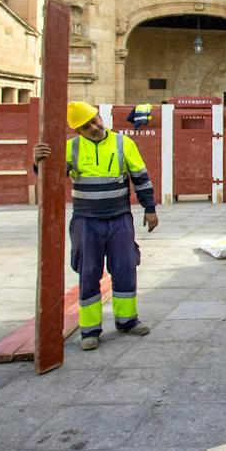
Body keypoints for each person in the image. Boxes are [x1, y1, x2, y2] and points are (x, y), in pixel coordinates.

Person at [33, 102, 159, 351]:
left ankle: (127, 320)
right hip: (86, 221)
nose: (94, 127)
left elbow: (140, 178)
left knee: (125, 268)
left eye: (95, 120)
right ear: (78, 131)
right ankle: (90, 330)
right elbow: (53, 178)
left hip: (119, 218)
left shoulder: (124, 143)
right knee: (88, 272)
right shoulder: (71, 148)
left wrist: (150, 208)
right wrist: (39, 163)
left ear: (100, 117)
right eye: (86, 126)